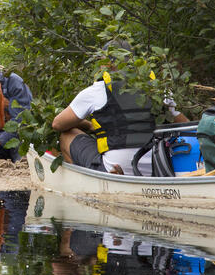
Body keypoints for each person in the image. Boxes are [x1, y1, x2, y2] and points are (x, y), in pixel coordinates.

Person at [51, 41, 189, 175]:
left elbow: (57, 124)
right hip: (158, 166)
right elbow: (186, 126)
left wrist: (88, 126)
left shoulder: (97, 90)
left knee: (66, 135)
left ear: (105, 64)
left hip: (116, 168)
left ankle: (83, 184)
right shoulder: (158, 89)